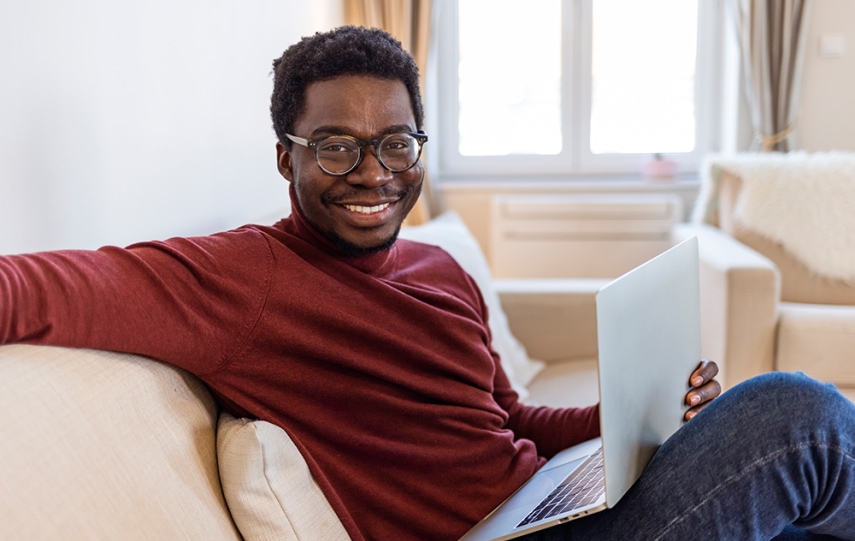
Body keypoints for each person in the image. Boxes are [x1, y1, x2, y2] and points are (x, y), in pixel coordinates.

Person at [1, 25, 854, 541]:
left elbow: (510, 419)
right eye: (335, 145)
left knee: (798, 502)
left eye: (396, 143)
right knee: (796, 416)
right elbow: (40, 288)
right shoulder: (246, 281)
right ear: (283, 156)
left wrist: (636, 419)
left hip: (554, 510)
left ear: (419, 146)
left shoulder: (440, 267)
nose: (372, 173)